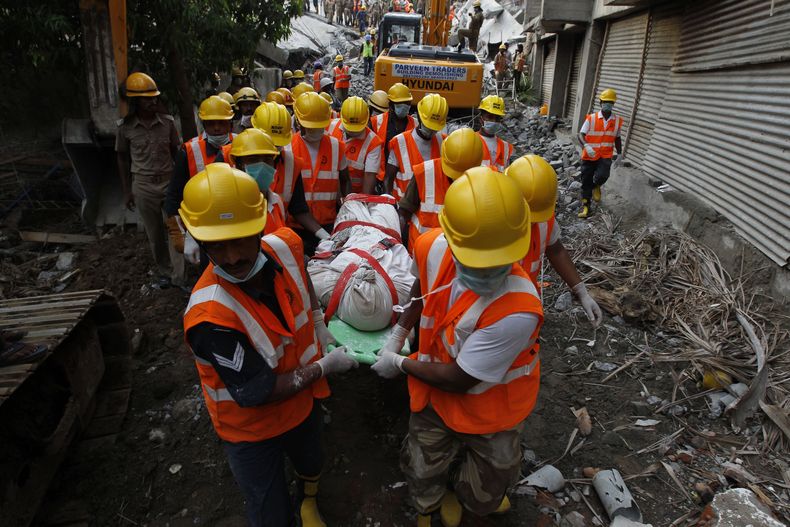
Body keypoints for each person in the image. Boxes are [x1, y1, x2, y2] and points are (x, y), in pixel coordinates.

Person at [180, 162, 357, 527]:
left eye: (240, 240)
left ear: (260, 227)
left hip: (301, 404)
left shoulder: (286, 246)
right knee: (269, 511)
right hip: (251, 431)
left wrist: (318, 321)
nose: (232, 257)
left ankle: (308, 498)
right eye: (216, 246)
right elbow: (256, 391)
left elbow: (302, 277)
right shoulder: (210, 316)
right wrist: (324, 367)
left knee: (312, 461)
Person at [372, 167, 543, 527]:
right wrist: (399, 334)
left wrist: (399, 363)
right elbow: (422, 287)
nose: (486, 271)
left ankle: (466, 495)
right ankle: (427, 506)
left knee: (487, 486)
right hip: (434, 395)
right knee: (422, 464)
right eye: (475, 260)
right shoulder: (431, 246)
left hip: (490, 409)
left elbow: (460, 378)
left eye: (496, 262)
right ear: (452, 240)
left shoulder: (517, 310)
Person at [505, 155, 603, 326]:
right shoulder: (488, 222)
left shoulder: (544, 220)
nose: (531, 222)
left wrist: (582, 292)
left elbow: (556, 250)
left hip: (525, 303)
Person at [116, 72, 184, 287]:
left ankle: (179, 276)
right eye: (147, 99)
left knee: (175, 229)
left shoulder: (167, 123)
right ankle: (165, 270)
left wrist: (180, 184)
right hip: (143, 185)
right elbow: (122, 158)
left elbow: (176, 153)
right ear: (135, 101)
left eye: (154, 98)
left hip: (168, 182)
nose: (152, 102)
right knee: (154, 233)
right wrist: (127, 191)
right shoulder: (125, 128)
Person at [164, 95, 235, 265]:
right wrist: (181, 233)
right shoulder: (189, 151)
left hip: (235, 220)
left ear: (230, 123)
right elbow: (175, 195)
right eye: (211, 123)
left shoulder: (243, 144)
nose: (216, 128)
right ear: (204, 124)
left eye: (221, 123)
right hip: (204, 227)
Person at [250, 102, 329, 242]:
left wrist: (323, 235)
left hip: (275, 240)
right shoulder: (229, 157)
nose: (273, 149)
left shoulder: (292, 164)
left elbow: (298, 209)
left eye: (277, 144)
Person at [398, 127, 483, 251]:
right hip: (421, 254)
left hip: (458, 256)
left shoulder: (483, 181)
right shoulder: (424, 173)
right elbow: (404, 212)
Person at [290, 92, 351, 254]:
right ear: (298, 121)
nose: (316, 130)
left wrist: (347, 207)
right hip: (295, 226)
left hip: (328, 223)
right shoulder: (289, 148)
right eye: (311, 126)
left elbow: (345, 179)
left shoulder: (336, 146)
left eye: (319, 126)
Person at [384, 93, 447, 200]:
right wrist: (388, 203)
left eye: (435, 128)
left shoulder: (445, 143)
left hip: (431, 208)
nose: (431, 131)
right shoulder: (399, 142)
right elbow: (388, 179)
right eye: (428, 126)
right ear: (419, 117)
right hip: (402, 206)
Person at [227, 129, 288, 234]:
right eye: (253, 159)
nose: (262, 165)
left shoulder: (276, 201)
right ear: (238, 164)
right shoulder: (228, 206)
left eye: (267, 159)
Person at [577, 88, 622, 218]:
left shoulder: (617, 121)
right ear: (600, 102)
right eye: (605, 102)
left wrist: (619, 154)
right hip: (589, 155)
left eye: (610, 102)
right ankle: (586, 207)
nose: (608, 104)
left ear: (613, 104)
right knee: (586, 181)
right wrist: (586, 146)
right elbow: (581, 134)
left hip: (605, 155)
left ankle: (596, 185)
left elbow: (617, 138)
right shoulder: (591, 118)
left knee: (603, 175)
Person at [327, 96, 383, 194]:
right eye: (349, 128)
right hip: (328, 192)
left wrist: (361, 201)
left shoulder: (373, 143)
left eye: (357, 129)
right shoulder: (329, 127)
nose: (353, 131)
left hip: (355, 196)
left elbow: (369, 175)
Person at [367, 83, 417, 191]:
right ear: (390, 105)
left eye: (407, 103)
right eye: (400, 103)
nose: (404, 106)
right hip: (379, 179)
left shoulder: (416, 125)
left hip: (404, 182)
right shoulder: (375, 122)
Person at [477, 95, 513, 172]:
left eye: (497, 118)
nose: (494, 121)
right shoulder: (470, 141)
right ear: (481, 119)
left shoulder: (506, 147)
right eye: (490, 117)